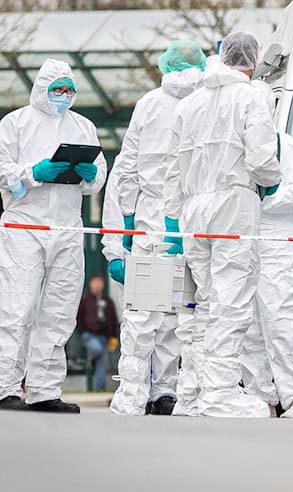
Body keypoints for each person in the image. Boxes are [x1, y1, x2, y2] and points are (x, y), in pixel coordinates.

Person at [164, 32, 281, 418]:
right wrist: (271, 181)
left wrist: (174, 216)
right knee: (231, 302)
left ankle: (193, 391)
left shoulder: (189, 104)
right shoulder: (252, 96)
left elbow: (173, 169)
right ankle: (220, 392)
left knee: (206, 303)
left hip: (194, 209)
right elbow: (262, 159)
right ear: (253, 58)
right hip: (234, 204)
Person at [0, 59, 108, 412]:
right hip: (25, 226)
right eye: (56, 89)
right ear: (41, 88)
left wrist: (90, 175)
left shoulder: (83, 126)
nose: (63, 96)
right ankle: (6, 387)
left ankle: (46, 390)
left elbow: (99, 177)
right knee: (18, 307)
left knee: (59, 311)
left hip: (67, 227)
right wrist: (34, 172)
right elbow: (3, 172)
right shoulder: (15, 123)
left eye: (68, 89)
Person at [107, 40, 205, 416]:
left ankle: (133, 393)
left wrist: (127, 223)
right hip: (194, 222)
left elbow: (128, 166)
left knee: (142, 314)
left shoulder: (148, 104)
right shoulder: (206, 102)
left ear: (165, 66)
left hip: (150, 223)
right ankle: (167, 391)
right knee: (184, 314)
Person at [240, 81, 293, 419]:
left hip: (276, 239)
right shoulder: (232, 146)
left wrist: (266, 199)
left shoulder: (286, 146)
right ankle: (259, 395)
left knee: (279, 320)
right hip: (241, 239)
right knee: (246, 324)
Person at [101, 168, 183, 415]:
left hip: (172, 248)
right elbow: (114, 207)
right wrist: (114, 253)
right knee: (139, 324)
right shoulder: (130, 165)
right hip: (138, 250)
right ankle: (134, 390)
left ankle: (164, 391)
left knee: (169, 322)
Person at [77, 274, 119, 392]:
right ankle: (91, 359)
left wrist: (113, 336)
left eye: (100, 283)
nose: (98, 285)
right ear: (91, 284)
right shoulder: (85, 299)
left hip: (104, 336)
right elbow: (78, 316)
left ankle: (97, 388)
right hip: (89, 334)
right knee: (97, 350)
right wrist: (82, 329)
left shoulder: (107, 301)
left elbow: (113, 319)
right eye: (95, 283)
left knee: (102, 363)